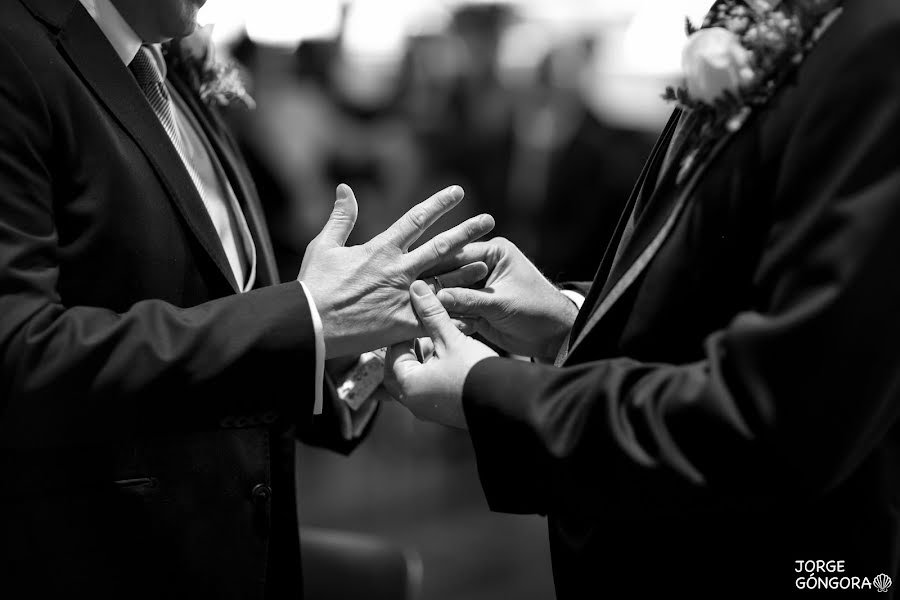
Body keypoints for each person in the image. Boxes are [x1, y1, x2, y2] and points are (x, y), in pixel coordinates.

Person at [388, 0, 900, 597]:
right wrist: (569, 323)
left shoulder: (873, 39)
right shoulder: (758, 20)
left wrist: (489, 390)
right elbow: (719, 281)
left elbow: (776, 422)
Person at [0, 0, 493, 597]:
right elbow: (21, 353)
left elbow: (226, 295)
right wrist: (307, 319)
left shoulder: (167, 60)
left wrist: (364, 347)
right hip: (99, 557)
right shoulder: (17, 50)